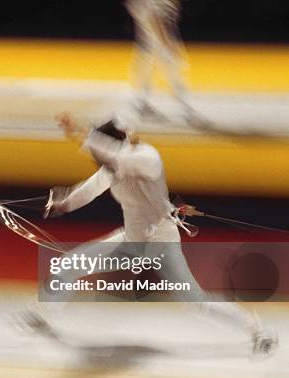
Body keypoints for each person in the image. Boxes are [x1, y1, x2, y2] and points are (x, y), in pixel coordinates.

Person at [21, 112, 278, 356]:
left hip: (161, 244)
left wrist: (78, 131)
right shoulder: (112, 167)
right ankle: (44, 315)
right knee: (70, 263)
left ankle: (260, 331)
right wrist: (62, 204)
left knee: (195, 301)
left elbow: (111, 152)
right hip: (131, 241)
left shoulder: (146, 157)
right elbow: (90, 189)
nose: (98, 158)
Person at [125, 0, 192, 118]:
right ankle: (181, 100)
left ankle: (142, 100)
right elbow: (155, 20)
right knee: (170, 68)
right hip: (155, 42)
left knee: (148, 68)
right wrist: (167, 44)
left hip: (150, 42)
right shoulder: (155, 5)